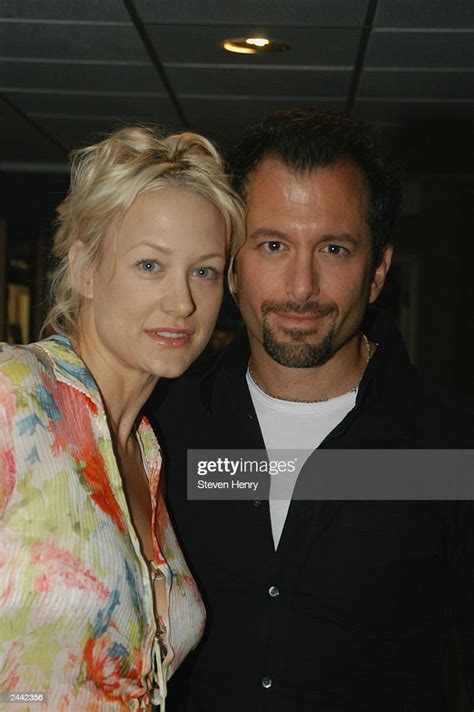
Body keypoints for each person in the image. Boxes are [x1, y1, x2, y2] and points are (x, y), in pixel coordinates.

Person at [149, 109, 474, 711]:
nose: (302, 287)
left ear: (377, 271)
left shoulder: (449, 445)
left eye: (334, 248)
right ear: (234, 267)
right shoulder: (164, 428)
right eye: (273, 245)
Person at [0, 125, 244, 710]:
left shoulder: (152, 452)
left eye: (204, 271)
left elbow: (291, 475)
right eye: (150, 266)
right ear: (85, 267)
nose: (183, 302)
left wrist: (433, 474)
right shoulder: (16, 398)